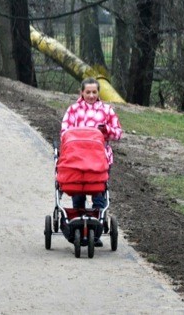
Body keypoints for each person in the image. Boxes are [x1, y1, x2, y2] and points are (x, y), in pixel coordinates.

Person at [60, 77, 122, 246]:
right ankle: (78, 225)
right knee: (78, 190)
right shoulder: (73, 110)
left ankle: (97, 229)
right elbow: (64, 132)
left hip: (99, 159)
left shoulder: (107, 110)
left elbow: (118, 133)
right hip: (77, 158)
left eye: (94, 92)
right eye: (88, 92)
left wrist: (106, 130)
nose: (91, 95)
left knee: (98, 192)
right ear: (81, 92)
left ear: (98, 92)